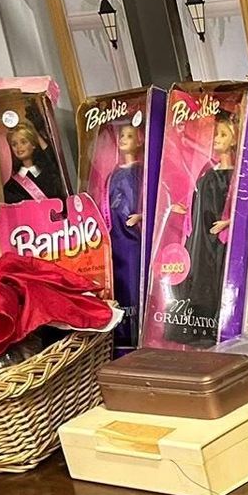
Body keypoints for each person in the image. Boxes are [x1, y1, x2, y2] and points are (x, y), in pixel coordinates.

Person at [163, 113, 238, 345]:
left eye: (223, 134)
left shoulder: (235, 176)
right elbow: (197, 205)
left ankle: (220, 324)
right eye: (215, 134)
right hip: (200, 240)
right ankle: (202, 325)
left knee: (219, 278)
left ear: (234, 140)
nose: (217, 139)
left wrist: (228, 222)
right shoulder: (206, 175)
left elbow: (240, 205)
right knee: (200, 278)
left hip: (222, 240)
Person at [105, 122, 147, 344]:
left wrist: (141, 216)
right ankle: (122, 333)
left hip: (133, 236)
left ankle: (138, 329)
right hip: (115, 235)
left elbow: (149, 198)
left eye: (129, 136)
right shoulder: (112, 174)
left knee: (133, 279)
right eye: (121, 135)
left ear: (138, 141)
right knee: (119, 281)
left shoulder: (141, 171)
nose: (123, 139)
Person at [2, 118, 65, 204]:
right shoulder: (11, 187)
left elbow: (53, 158)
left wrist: (36, 134)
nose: (19, 147)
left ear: (33, 144)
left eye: (23, 142)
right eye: (14, 144)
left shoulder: (48, 172)